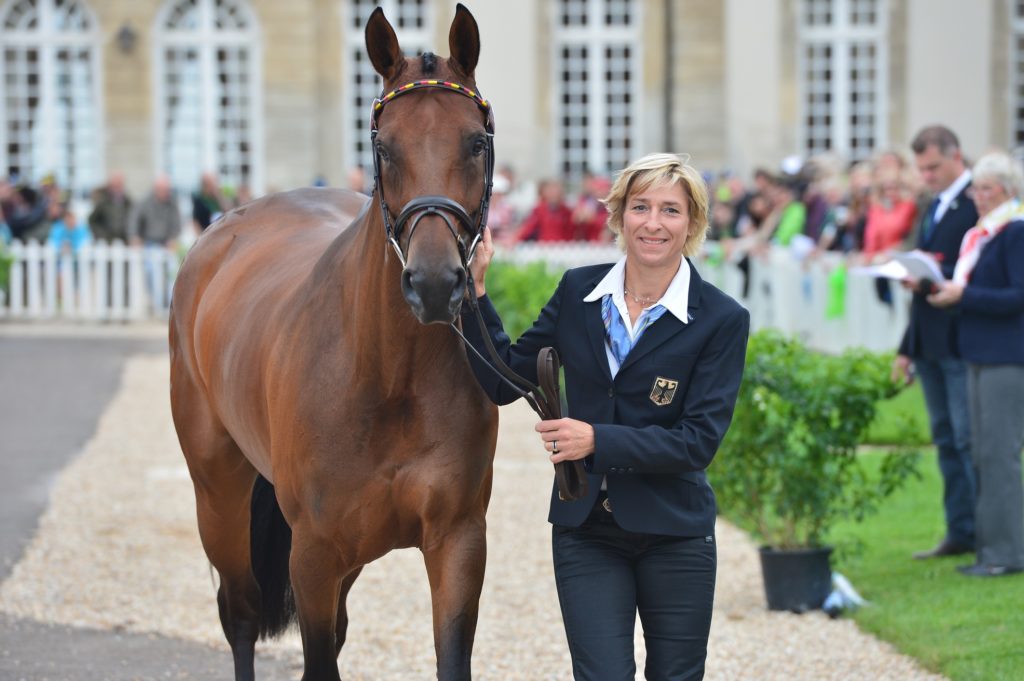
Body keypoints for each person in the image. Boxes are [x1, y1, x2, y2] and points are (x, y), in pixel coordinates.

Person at [461, 153, 750, 679]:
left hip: (676, 532)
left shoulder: (722, 319)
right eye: (640, 207)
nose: (654, 223)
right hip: (586, 527)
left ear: (692, 224)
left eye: (671, 210)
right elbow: (506, 380)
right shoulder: (578, 293)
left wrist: (597, 439)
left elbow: (696, 443)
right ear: (619, 216)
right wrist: (475, 293)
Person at [928, 150, 1024, 577]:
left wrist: (964, 296)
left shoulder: (1014, 231)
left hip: (1005, 355)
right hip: (979, 352)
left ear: (1008, 191)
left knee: (999, 454)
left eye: (987, 189)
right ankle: (991, 549)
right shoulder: (983, 233)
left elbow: (1017, 296)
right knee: (983, 454)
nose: (979, 197)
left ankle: (1006, 553)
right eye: (977, 189)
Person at [892, 125, 978, 560]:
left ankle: (987, 530)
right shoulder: (936, 205)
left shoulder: (975, 204)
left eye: (933, 167)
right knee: (945, 439)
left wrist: (929, 280)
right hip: (930, 338)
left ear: (955, 155)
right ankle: (960, 529)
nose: (926, 176)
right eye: (921, 169)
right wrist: (907, 346)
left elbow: (974, 274)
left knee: (969, 439)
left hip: (961, 339)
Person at [88, 172, 131, 243]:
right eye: (115, 185)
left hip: (125, 241)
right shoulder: (102, 201)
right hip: (106, 242)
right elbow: (92, 221)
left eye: (119, 185)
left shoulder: (128, 203)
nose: (117, 188)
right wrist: (101, 235)